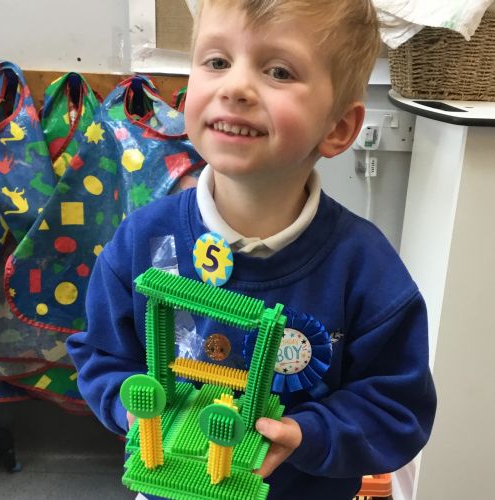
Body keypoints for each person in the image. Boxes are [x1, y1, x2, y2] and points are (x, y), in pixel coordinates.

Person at [67, 1, 437, 499]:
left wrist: (308, 433)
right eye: (217, 61)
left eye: (279, 71)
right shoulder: (141, 242)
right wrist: (130, 405)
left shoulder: (367, 269)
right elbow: (100, 354)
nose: (235, 87)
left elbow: (398, 409)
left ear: (337, 128)